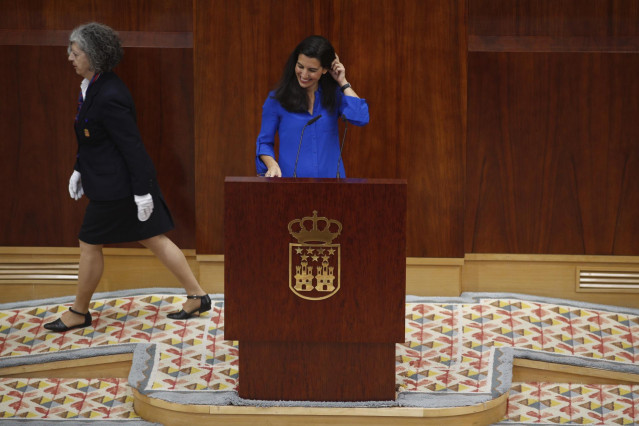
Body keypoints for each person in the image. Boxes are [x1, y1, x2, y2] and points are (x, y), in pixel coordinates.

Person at [44, 22, 210, 332]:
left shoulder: (109, 95)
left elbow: (132, 147)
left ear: (92, 57)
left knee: (89, 243)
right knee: (154, 238)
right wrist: (79, 168)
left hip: (117, 189)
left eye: (75, 52)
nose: (70, 56)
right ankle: (198, 296)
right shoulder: (93, 87)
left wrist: (142, 192)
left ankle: (79, 312)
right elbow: (94, 139)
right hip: (111, 182)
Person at [256, 35, 369, 178]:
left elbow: (361, 118)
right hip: (291, 187)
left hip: (333, 188)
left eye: (312, 70)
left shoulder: (334, 96)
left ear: (325, 69)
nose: (304, 74)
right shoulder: (277, 99)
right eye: (300, 66)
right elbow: (264, 142)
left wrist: (343, 82)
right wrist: (272, 164)